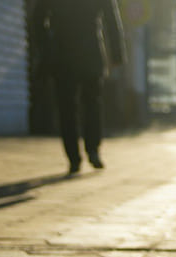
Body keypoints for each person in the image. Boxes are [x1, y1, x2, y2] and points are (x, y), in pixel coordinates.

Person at [31, 0, 126, 174]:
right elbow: (111, 19)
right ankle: (92, 150)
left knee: (67, 108)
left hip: (63, 54)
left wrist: (46, 46)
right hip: (89, 54)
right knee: (91, 104)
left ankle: (74, 157)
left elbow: (38, 17)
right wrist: (117, 54)